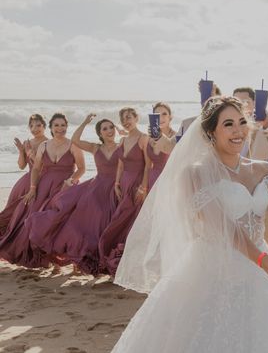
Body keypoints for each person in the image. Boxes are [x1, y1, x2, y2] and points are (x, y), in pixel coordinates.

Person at [92, 96, 268, 353]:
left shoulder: (265, 170)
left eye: (242, 122)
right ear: (211, 132)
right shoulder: (195, 173)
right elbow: (223, 230)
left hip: (263, 269)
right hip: (213, 270)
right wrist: (262, 261)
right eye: (228, 124)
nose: (238, 131)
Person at [26, 114, 119, 275]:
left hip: (116, 187)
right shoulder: (95, 147)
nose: (109, 130)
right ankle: (81, 257)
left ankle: (109, 258)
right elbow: (76, 139)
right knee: (86, 222)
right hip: (97, 187)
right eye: (105, 128)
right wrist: (84, 122)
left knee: (109, 223)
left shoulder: (122, 145)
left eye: (111, 127)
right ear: (100, 133)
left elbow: (135, 161)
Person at [0, 113, 85, 267]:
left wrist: (70, 181)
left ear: (66, 126)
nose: (60, 128)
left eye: (63, 125)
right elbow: (35, 168)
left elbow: (81, 168)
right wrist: (33, 189)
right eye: (56, 125)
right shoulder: (44, 146)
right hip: (44, 184)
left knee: (65, 219)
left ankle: (68, 256)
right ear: (51, 128)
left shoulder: (73, 145)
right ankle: (43, 254)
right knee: (35, 215)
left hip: (66, 185)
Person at [98, 107, 150, 275]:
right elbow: (120, 164)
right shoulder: (122, 141)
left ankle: (133, 259)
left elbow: (148, 165)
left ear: (136, 118)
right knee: (120, 219)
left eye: (129, 117)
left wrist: (143, 187)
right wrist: (117, 183)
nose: (126, 121)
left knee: (131, 219)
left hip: (137, 183)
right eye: (123, 119)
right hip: (124, 183)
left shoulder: (143, 139)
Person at [0, 114, 48, 231]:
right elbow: (21, 166)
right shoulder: (27, 143)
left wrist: (31, 154)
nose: (34, 129)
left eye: (38, 125)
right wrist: (21, 151)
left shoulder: (49, 143)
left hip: (42, 180)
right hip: (26, 179)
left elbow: (43, 166)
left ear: (44, 126)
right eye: (31, 126)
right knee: (11, 210)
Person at [147, 102, 176, 189]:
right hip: (152, 180)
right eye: (157, 114)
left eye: (164, 114)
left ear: (170, 117)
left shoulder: (176, 137)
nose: (160, 117)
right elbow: (148, 166)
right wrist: (144, 187)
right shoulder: (149, 138)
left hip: (170, 182)